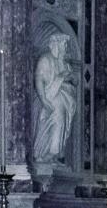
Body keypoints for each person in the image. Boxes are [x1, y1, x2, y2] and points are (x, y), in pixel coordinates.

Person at [32, 33, 76, 163]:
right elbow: (39, 79)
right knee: (58, 117)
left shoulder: (65, 63)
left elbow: (75, 80)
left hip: (66, 99)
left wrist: (67, 77)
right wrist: (43, 99)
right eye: (64, 44)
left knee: (62, 121)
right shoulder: (45, 60)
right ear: (56, 44)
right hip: (49, 97)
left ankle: (54, 154)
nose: (66, 47)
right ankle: (49, 152)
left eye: (66, 44)